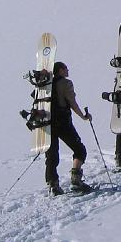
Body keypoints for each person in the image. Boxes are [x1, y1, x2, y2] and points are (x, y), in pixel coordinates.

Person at [45, 61, 94, 195]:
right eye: (66, 68)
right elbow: (72, 103)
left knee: (51, 155)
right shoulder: (66, 83)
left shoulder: (45, 84)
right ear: (60, 70)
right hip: (63, 123)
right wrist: (83, 116)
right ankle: (76, 180)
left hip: (47, 123)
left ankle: (53, 185)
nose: (68, 70)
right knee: (79, 149)